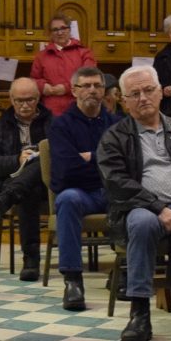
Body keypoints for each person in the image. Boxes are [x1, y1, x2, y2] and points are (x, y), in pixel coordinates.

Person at [96, 66, 171, 341]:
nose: (143, 98)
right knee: (141, 223)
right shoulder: (114, 137)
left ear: (161, 92)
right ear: (124, 101)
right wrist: (160, 208)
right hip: (139, 206)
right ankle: (139, 312)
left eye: (148, 90)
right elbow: (117, 183)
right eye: (134, 94)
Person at [47, 66, 117, 311]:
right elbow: (66, 171)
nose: (92, 91)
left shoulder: (116, 123)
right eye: (86, 86)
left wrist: (91, 157)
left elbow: (123, 166)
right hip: (80, 193)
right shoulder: (61, 126)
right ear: (74, 90)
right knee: (66, 200)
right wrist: (102, 162)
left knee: (136, 199)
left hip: (111, 191)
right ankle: (73, 280)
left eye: (97, 86)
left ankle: (126, 272)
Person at [0, 77, 51, 281]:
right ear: (11, 100)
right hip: (11, 182)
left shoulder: (53, 123)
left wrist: (39, 157)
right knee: (28, 192)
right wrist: (16, 160)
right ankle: (31, 260)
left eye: (29, 100)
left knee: (44, 157)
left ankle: (5, 200)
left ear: (38, 99)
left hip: (46, 185)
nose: (25, 105)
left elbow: (63, 155)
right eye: (19, 100)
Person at [31, 13, 96, 117]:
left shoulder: (84, 53)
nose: (60, 32)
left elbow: (89, 79)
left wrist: (66, 88)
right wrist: (42, 86)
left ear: (69, 30)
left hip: (78, 111)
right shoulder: (41, 56)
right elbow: (34, 79)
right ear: (50, 33)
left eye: (63, 28)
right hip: (50, 112)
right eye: (55, 29)